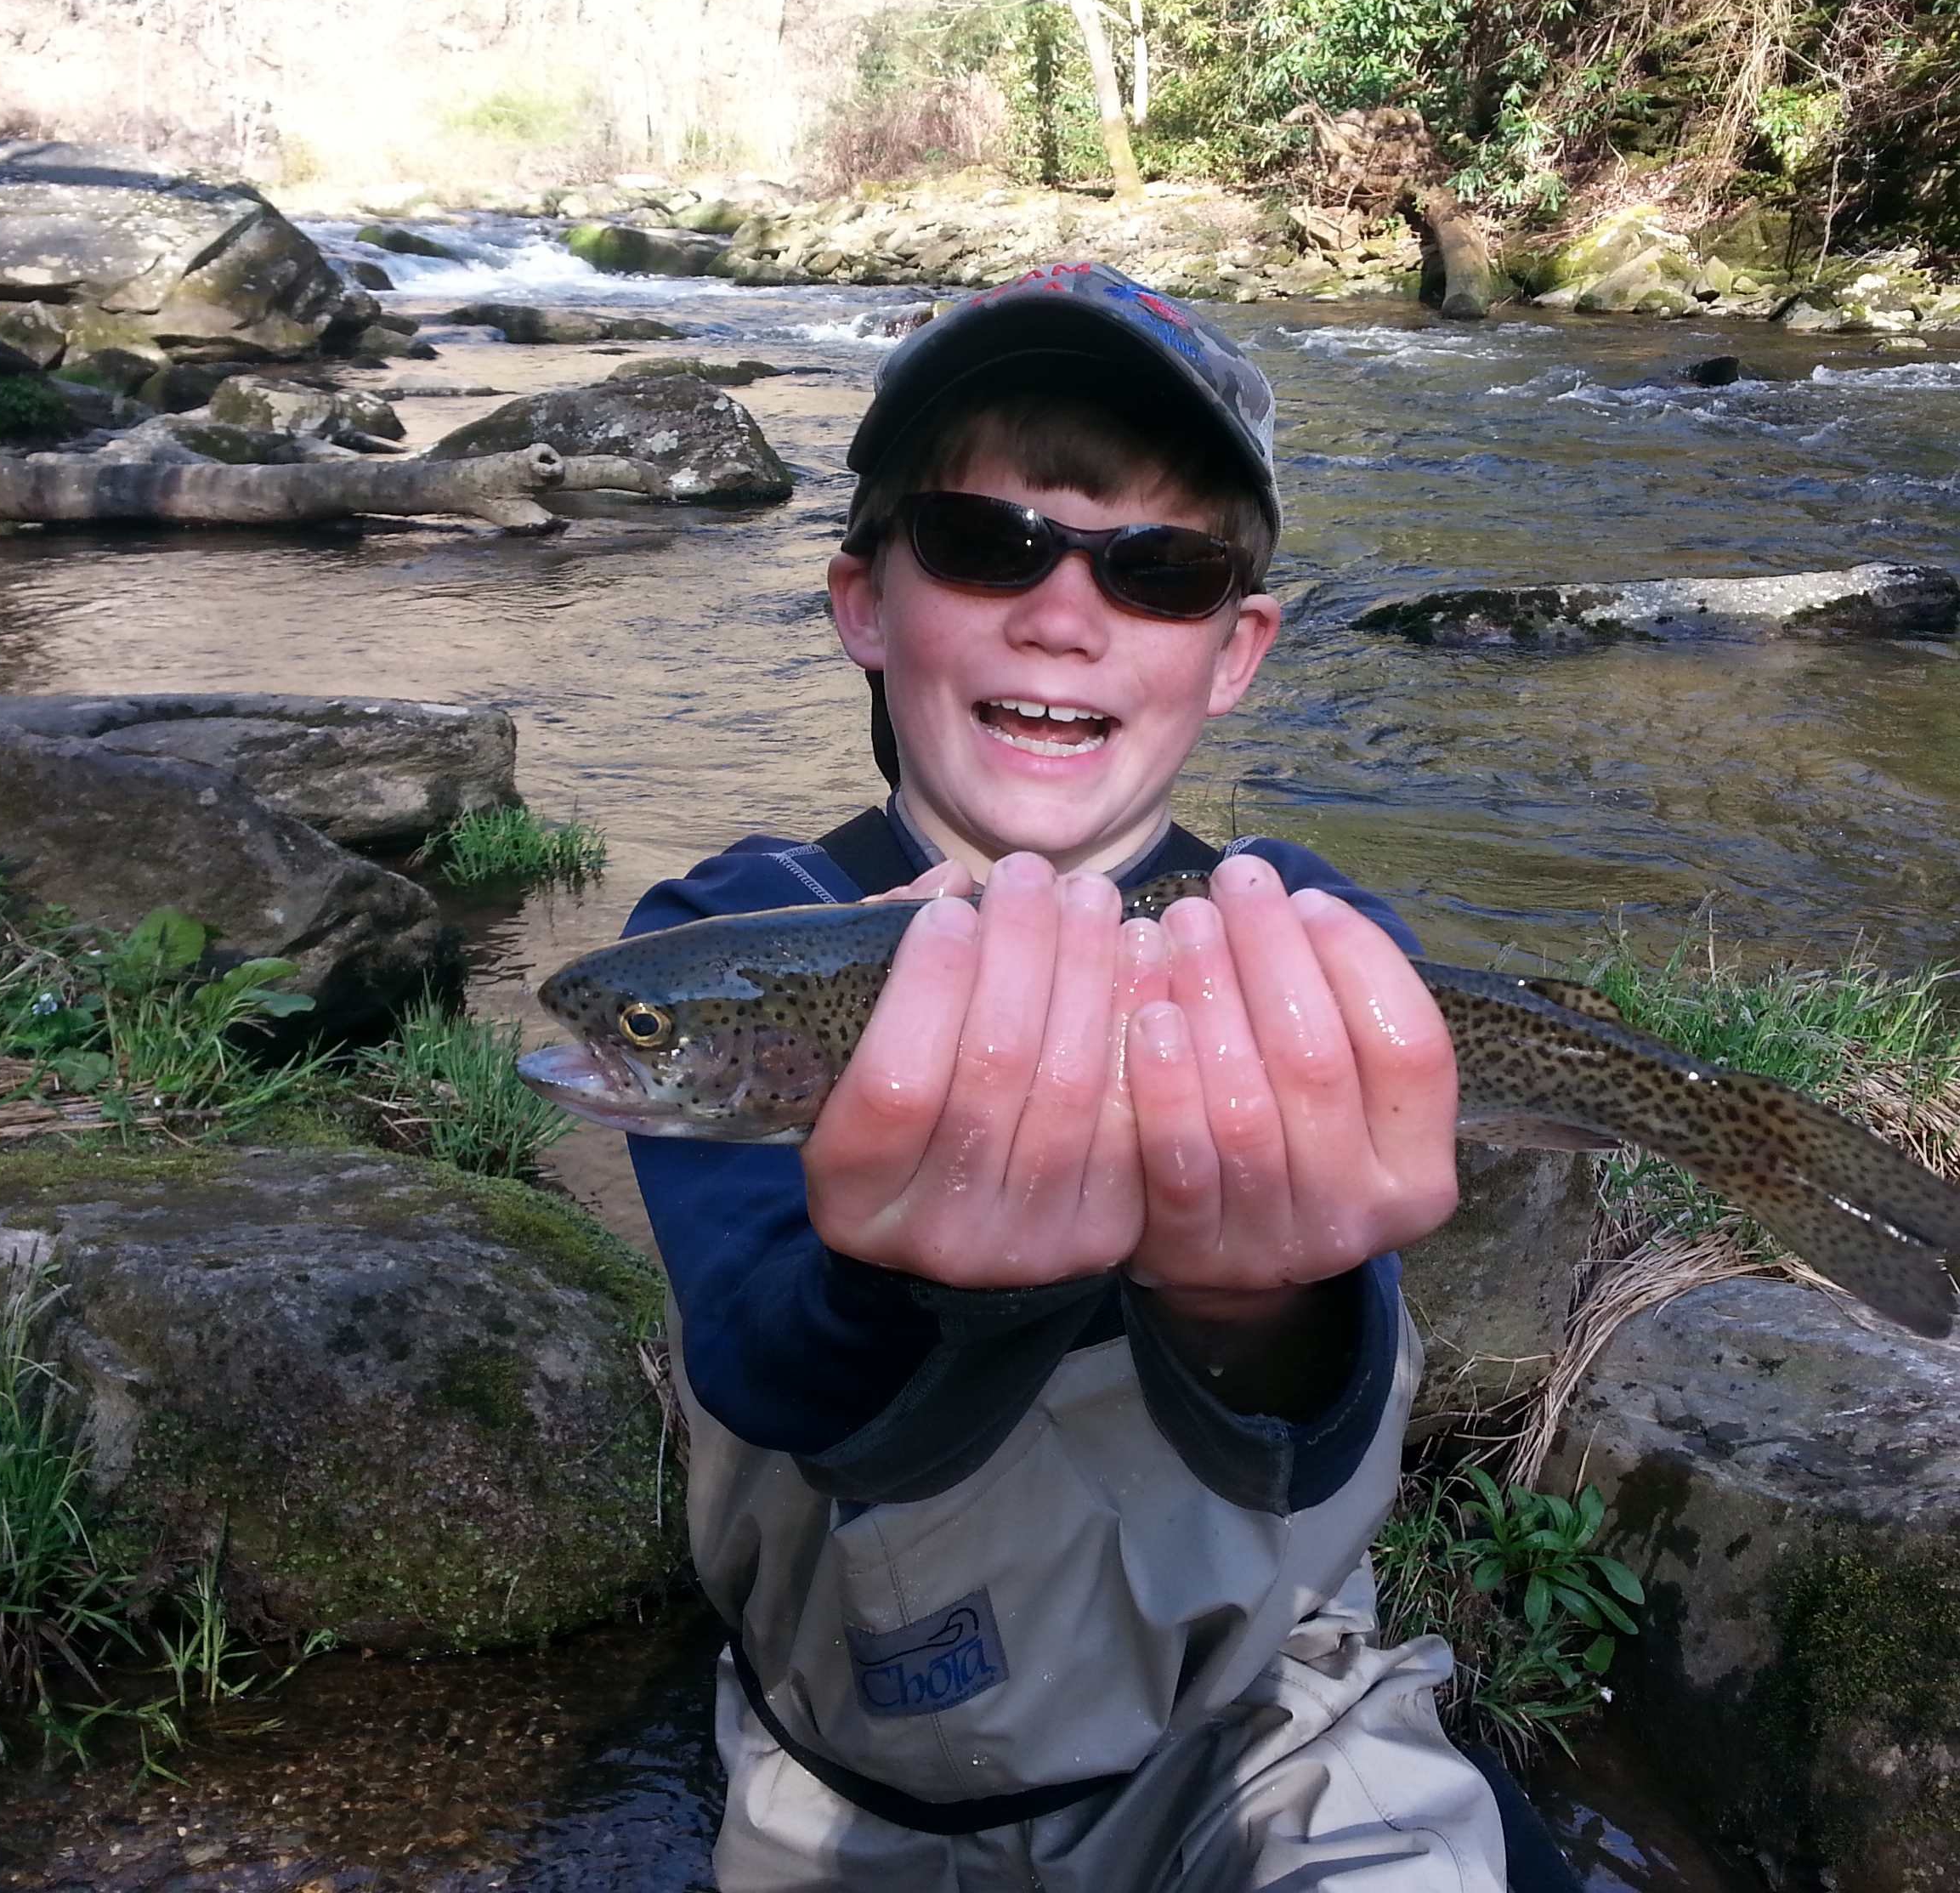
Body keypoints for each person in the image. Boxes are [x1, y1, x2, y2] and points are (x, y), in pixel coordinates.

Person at [620, 264, 1578, 1890]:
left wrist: (1249, 1308)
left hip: (1269, 1741)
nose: (1063, 614)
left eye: (1160, 569)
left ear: (1235, 649)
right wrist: (922, 1288)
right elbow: (771, 1369)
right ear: (863, 600)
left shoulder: (1311, 941)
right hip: (852, 1780)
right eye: (986, 544)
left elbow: (1318, 1424)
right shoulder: (727, 937)